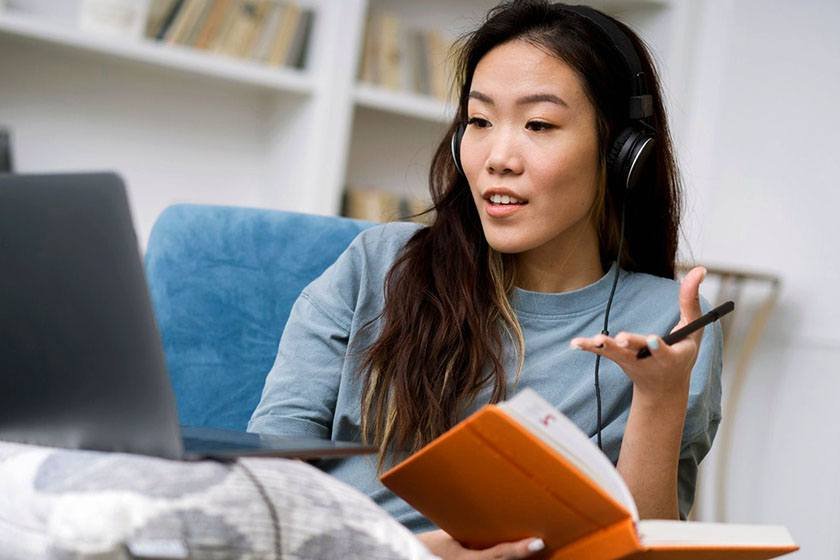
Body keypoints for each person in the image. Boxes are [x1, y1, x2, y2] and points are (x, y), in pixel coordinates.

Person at [248, 1, 722, 558]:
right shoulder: (377, 264)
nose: (498, 157)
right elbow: (266, 473)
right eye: (479, 121)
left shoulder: (673, 325)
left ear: (622, 153)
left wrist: (659, 398)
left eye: (538, 124)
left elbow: (641, 550)